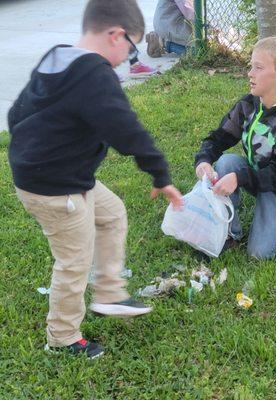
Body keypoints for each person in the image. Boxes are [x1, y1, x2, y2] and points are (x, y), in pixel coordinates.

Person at [7, 0, 182, 359]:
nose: (128, 57)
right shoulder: (95, 74)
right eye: (131, 48)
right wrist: (159, 173)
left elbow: (16, 112)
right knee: (74, 262)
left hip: (54, 173)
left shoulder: (59, 56)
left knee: (113, 212)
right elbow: (126, 129)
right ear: (115, 35)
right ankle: (63, 338)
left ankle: (108, 291)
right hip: (56, 188)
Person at [194, 36, 276, 260]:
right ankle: (230, 232)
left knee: (259, 253)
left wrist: (239, 179)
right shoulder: (249, 103)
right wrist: (203, 160)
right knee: (225, 164)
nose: (250, 73)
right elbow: (220, 137)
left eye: (258, 68)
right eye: (251, 66)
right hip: (258, 174)